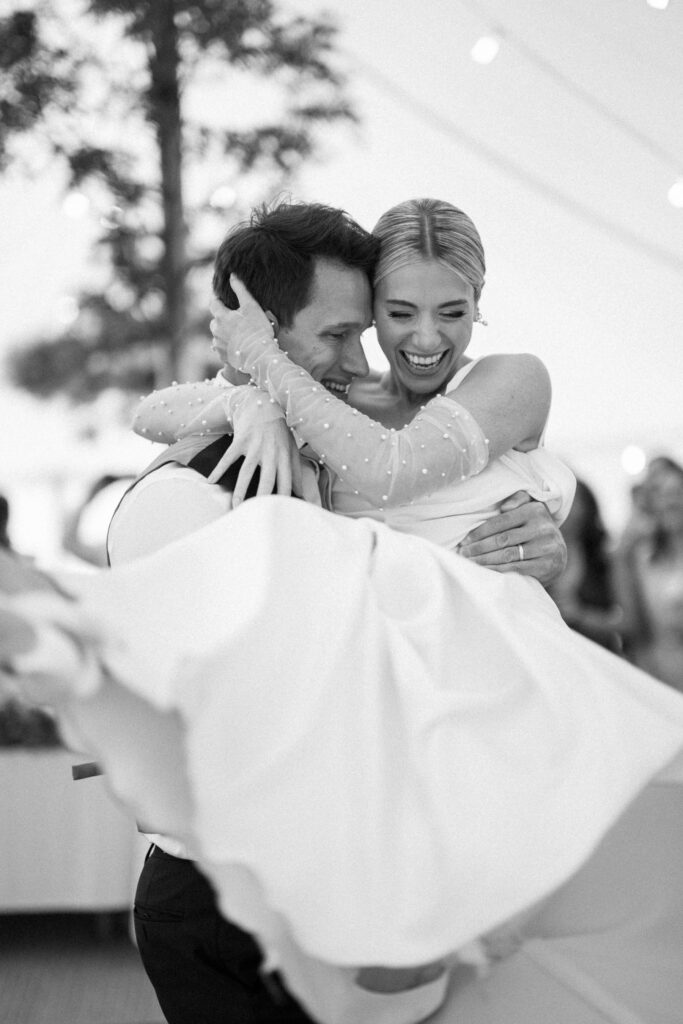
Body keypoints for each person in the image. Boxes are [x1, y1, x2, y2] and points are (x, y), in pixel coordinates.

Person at [56, 196, 681, 1022]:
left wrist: (532, 570)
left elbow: (388, 483)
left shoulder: (339, 424)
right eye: (368, 324)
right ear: (269, 335)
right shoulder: (219, 478)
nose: (396, 346)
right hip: (245, 889)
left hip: (394, 852)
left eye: (450, 311)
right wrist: (251, 392)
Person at [614, 455, 683, 692]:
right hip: (661, 672)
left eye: (677, 492)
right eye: (661, 494)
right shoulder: (641, 555)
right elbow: (633, 623)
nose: (671, 502)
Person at [547, 477, 623, 652]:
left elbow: (630, 623)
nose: (566, 509)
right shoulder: (541, 556)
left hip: (600, 651)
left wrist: (581, 615)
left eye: (573, 501)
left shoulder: (603, 555)